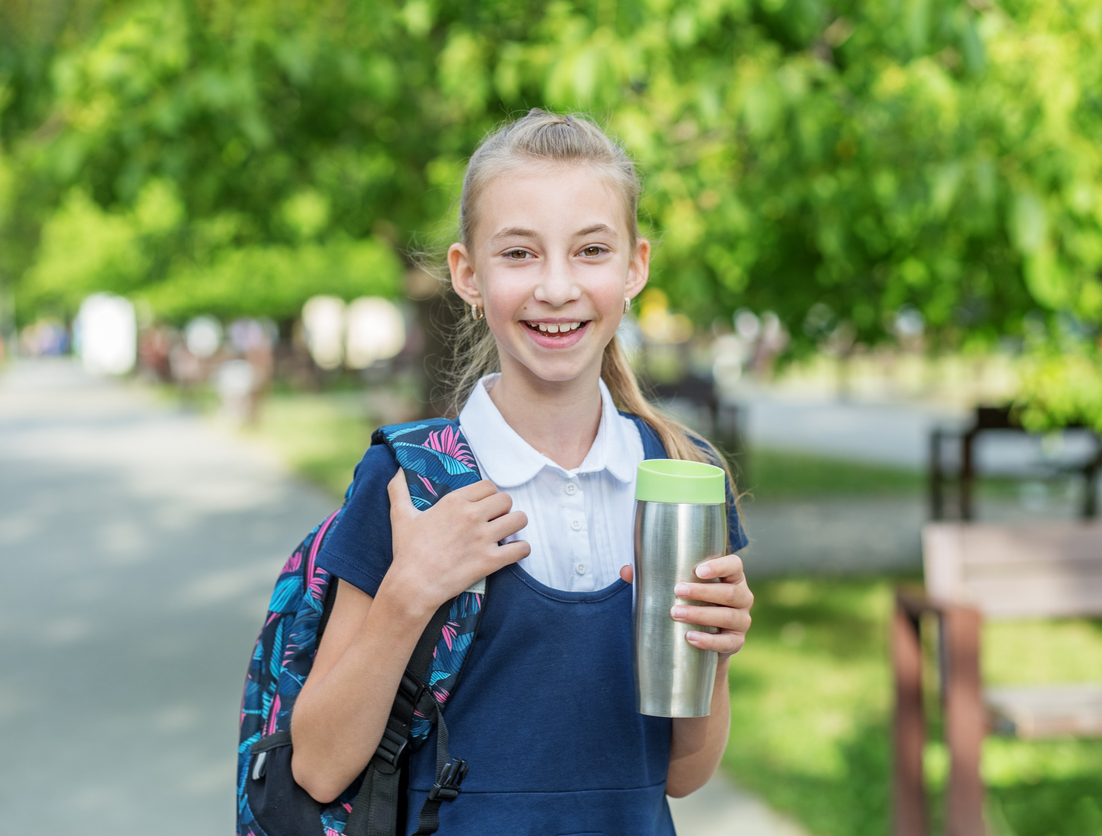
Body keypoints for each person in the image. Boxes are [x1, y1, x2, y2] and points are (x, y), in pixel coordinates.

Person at [290, 109, 754, 834]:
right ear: (467, 275)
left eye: (591, 251)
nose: (558, 287)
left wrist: (715, 658)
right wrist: (409, 592)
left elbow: (682, 775)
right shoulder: (410, 482)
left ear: (636, 267)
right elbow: (317, 766)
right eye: (520, 254)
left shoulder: (679, 478)